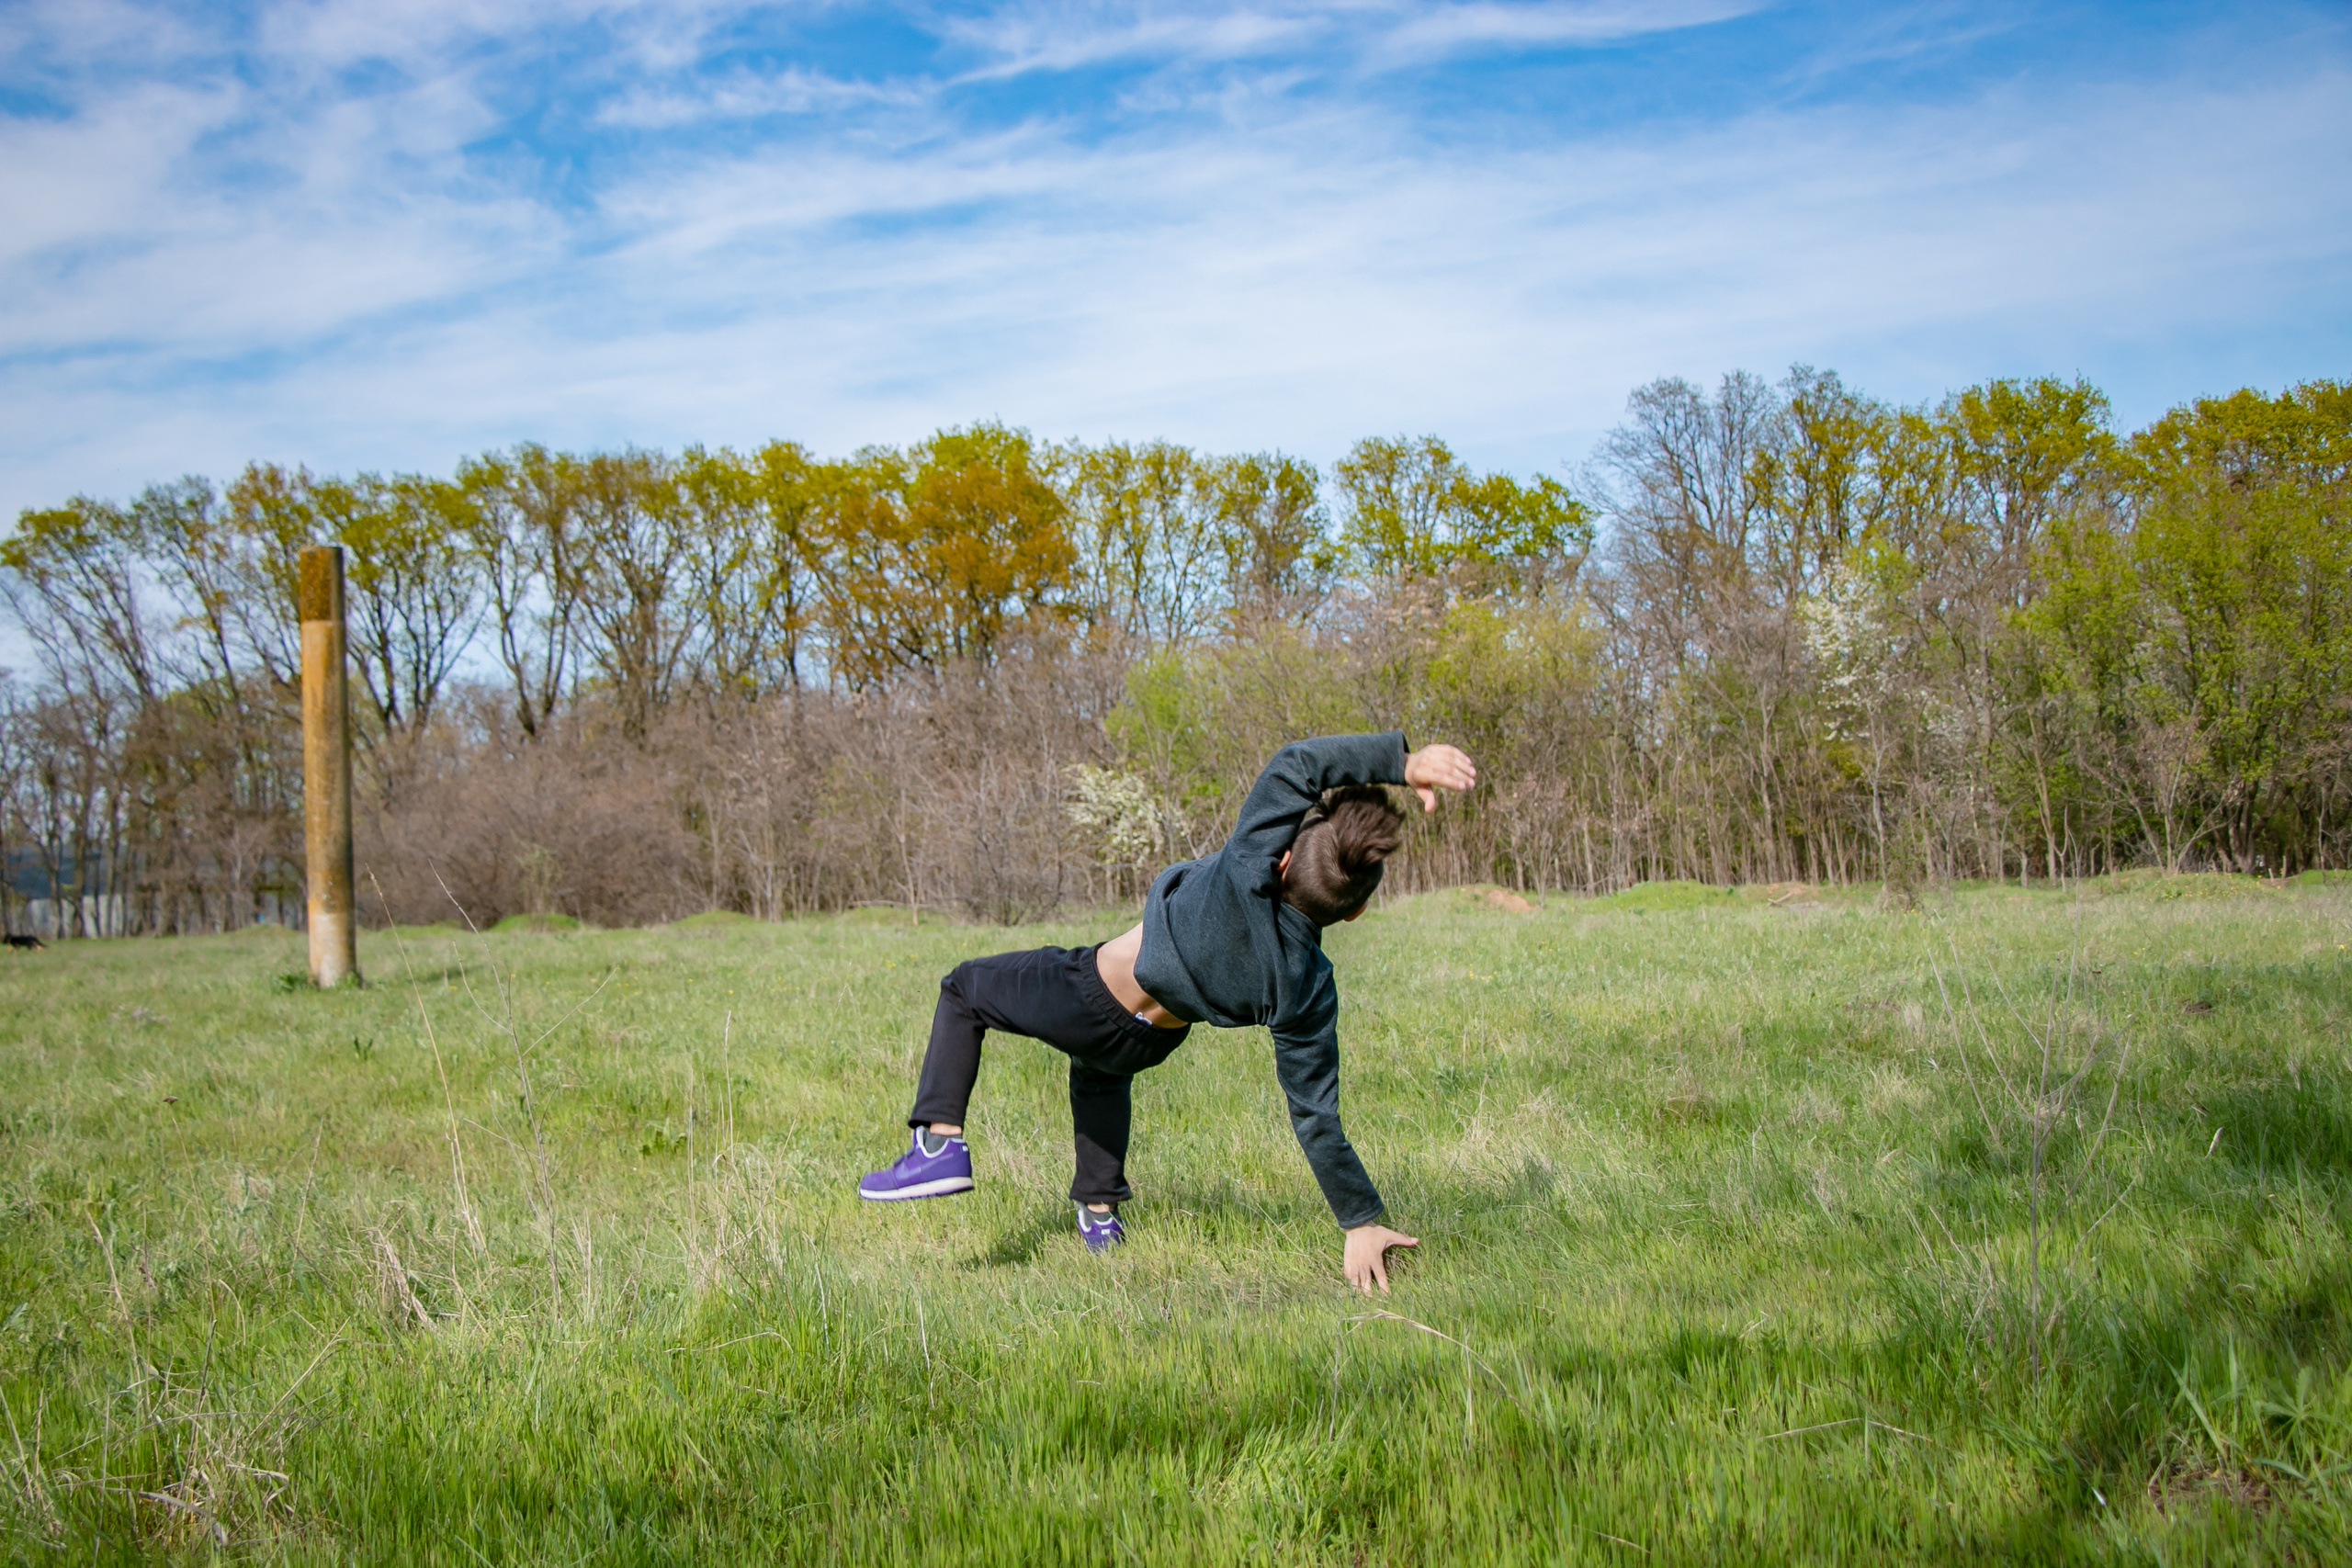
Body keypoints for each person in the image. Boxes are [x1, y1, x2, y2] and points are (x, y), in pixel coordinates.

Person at [858, 731, 1476, 1293]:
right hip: (1151, 1039)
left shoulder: (1248, 867)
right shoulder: (1306, 984)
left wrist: (1403, 763)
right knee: (1099, 1069)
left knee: (964, 988)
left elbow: (1299, 765)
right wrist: (1359, 1218)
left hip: (1088, 993)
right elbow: (1316, 1115)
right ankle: (1099, 1214)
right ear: (1352, 913)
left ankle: (937, 1147)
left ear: (1282, 859)